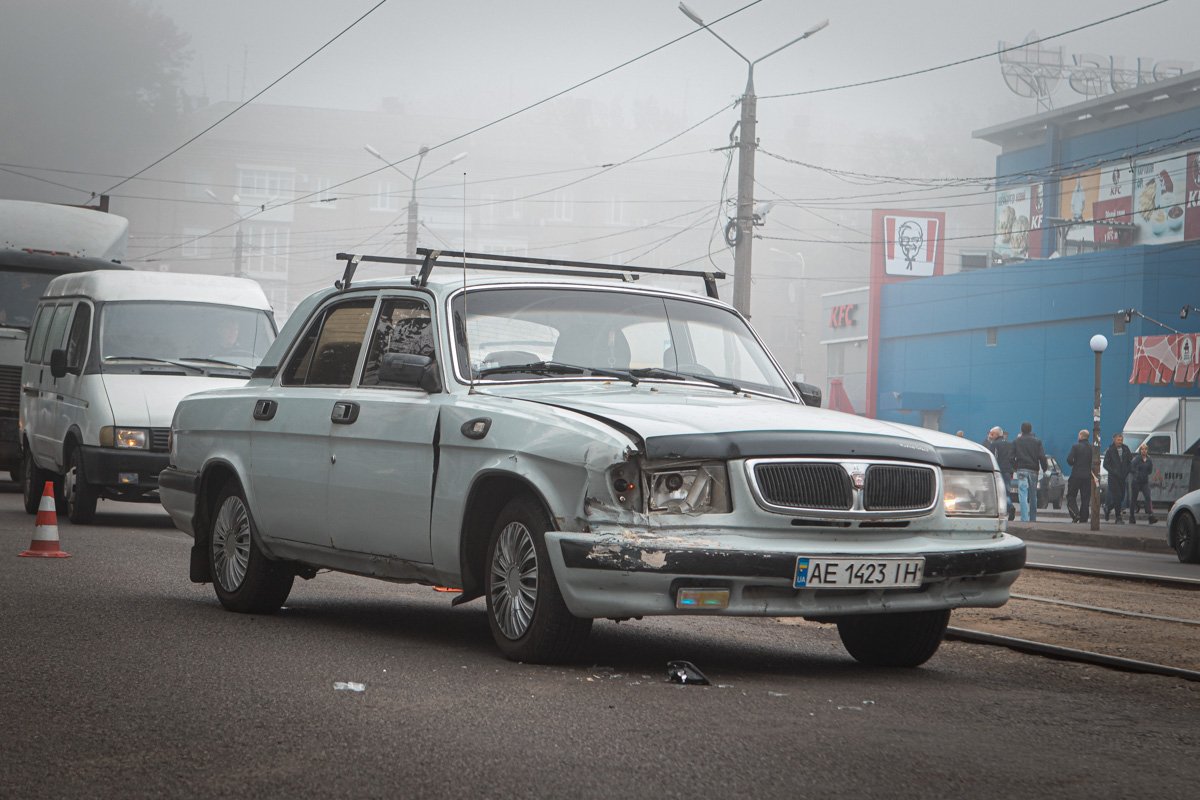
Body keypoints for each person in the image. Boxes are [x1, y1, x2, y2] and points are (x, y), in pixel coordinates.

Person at [1012, 421, 1048, 522]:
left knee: (1023, 494)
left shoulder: (1016, 441)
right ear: (1031, 430)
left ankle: (1024, 519)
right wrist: (1045, 468)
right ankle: (1033, 519)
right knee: (1033, 495)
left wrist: (1016, 467)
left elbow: (1011, 457)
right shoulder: (1037, 442)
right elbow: (1042, 456)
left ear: (1021, 429)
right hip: (1033, 470)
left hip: (1021, 469)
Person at [1102, 433, 1133, 523]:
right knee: (1117, 496)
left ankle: (1108, 508)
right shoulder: (1110, 450)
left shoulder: (1126, 449)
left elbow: (1130, 461)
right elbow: (1105, 464)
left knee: (1122, 497)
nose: (1120, 442)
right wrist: (1114, 471)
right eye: (1118, 440)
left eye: (1121, 440)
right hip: (1113, 478)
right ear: (1114, 440)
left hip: (1123, 477)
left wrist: (1127, 470)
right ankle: (1118, 517)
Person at [1064, 429, 1093, 523]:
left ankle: (1076, 514)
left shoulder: (1075, 446)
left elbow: (1069, 459)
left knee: (1071, 496)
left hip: (1076, 475)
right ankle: (1084, 518)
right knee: (1085, 498)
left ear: (1080, 436)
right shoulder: (1092, 447)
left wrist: (1074, 463)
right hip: (1087, 476)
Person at [1128, 444, 1158, 524]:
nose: (1144, 451)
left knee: (1148, 497)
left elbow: (1150, 470)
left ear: (1147, 450)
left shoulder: (1149, 459)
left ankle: (1150, 516)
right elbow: (1130, 468)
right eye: (1142, 449)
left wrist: (1144, 474)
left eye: (1145, 449)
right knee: (1134, 499)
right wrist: (1136, 473)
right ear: (1140, 450)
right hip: (1136, 482)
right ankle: (1131, 517)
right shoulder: (1137, 459)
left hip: (1144, 482)